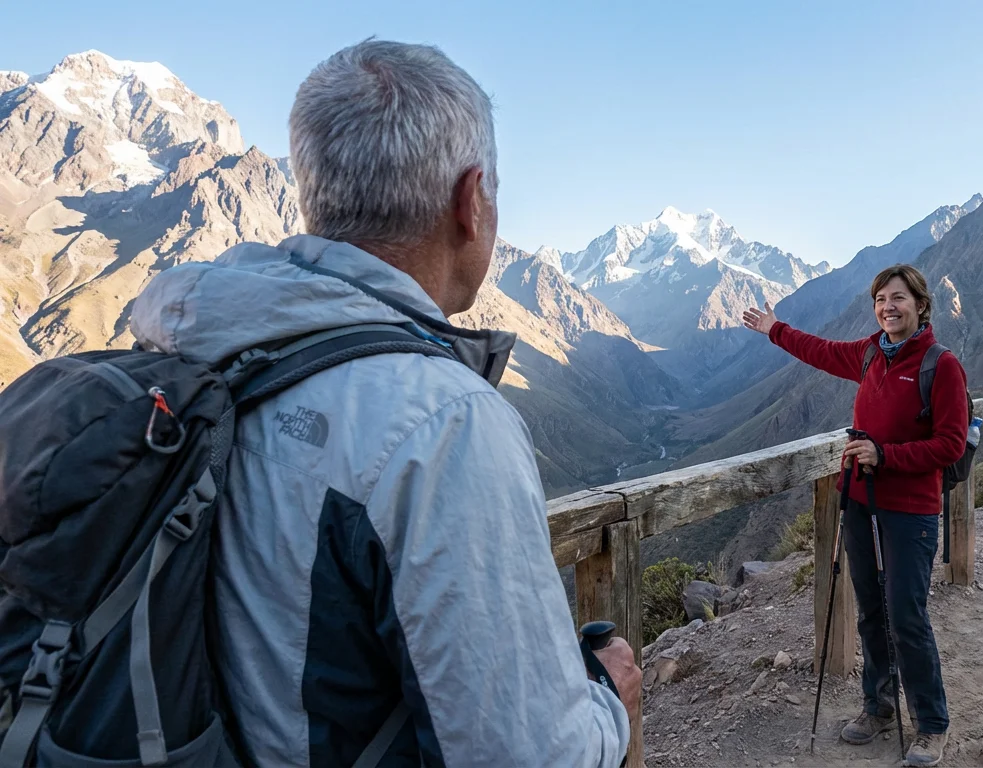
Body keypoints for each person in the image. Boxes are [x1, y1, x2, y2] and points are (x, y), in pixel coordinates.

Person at [126, 39, 639, 766]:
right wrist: (612, 704)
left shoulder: (192, 349)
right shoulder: (442, 422)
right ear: (471, 201)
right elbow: (528, 754)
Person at [742, 264, 968, 767]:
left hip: (910, 509)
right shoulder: (869, 353)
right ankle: (880, 705)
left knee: (907, 614)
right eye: (881, 299)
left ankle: (931, 724)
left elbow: (950, 444)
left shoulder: (940, 365)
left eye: (899, 298)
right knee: (869, 606)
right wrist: (773, 330)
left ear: (920, 305)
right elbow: (820, 352)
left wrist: (885, 455)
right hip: (861, 498)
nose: (889, 307)